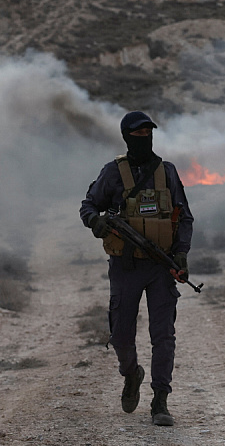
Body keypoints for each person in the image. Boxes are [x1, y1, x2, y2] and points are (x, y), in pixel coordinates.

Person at [80, 111, 193, 426]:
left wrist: (181, 254)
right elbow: (88, 205)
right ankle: (131, 374)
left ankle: (160, 401)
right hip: (126, 265)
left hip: (161, 267)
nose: (144, 138)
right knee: (121, 334)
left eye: (148, 132)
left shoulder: (166, 172)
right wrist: (97, 222)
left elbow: (184, 216)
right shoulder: (113, 173)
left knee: (163, 335)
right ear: (126, 136)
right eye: (138, 133)